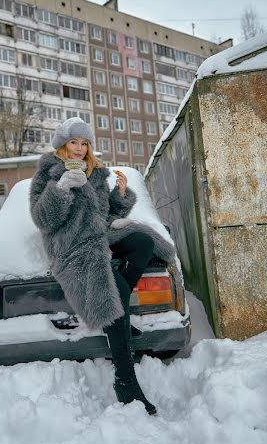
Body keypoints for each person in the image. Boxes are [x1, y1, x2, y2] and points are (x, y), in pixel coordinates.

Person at [30, 117, 176, 416]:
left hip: (100, 235)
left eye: (85, 143)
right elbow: (43, 221)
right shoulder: (47, 173)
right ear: (62, 144)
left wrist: (119, 198)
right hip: (72, 247)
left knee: (143, 242)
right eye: (74, 142)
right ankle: (125, 382)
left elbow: (102, 212)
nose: (80, 149)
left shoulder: (96, 173)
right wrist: (60, 189)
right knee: (114, 290)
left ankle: (117, 309)